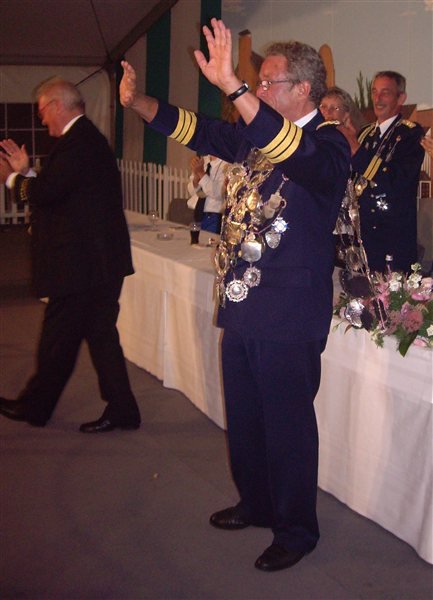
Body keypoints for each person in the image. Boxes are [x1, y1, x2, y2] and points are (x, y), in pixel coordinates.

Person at [120, 18, 350, 571]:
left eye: (269, 82)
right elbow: (198, 130)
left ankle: (296, 529)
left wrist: (234, 86)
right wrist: (138, 103)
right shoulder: (254, 135)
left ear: (303, 89)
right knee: (246, 417)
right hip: (245, 303)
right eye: (258, 82)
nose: (259, 90)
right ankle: (257, 503)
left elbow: (294, 154)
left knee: (287, 425)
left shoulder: (329, 143)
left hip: (290, 315)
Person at [0, 77, 141, 433]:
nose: (41, 119)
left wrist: (12, 179)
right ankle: (122, 410)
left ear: (57, 105)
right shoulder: (83, 140)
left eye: (42, 111)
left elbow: (46, 193)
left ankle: (35, 407)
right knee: (98, 337)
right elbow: (62, 192)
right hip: (96, 264)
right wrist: (26, 172)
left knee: (58, 340)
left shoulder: (79, 143)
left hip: (81, 266)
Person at [339, 71, 424, 273]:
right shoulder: (365, 133)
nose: (377, 98)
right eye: (374, 92)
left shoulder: (410, 134)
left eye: (385, 92)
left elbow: (394, 181)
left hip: (392, 236)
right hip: (363, 236)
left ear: (400, 98)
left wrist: (355, 147)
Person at [186, 153, 227, 233]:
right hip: (195, 212)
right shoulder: (203, 160)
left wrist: (201, 173)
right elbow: (191, 191)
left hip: (213, 216)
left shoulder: (227, 164)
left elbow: (219, 193)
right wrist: (196, 178)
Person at [319, 86, 366, 154]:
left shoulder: (353, 142)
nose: (328, 112)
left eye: (335, 108)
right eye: (323, 107)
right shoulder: (311, 137)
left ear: (345, 115)